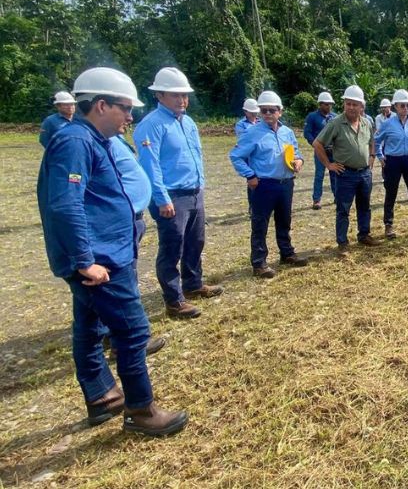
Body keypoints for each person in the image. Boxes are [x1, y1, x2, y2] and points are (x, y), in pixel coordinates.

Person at [37, 66, 187, 436]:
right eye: (124, 108)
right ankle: (141, 410)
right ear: (101, 105)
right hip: (100, 259)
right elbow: (65, 205)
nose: (130, 116)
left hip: (106, 253)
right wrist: (85, 261)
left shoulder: (92, 139)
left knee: (89, 325)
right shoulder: (75, 142)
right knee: (133, 332)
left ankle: (101, 394)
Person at [133, 67, 223, 320]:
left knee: (196, 241)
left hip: (194, 191)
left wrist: (200, 184)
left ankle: (193, 284)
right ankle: (173, 301)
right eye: (175, 95)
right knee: (173, 247)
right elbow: (150, 165)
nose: (182, 100)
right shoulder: (152, 125)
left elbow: (195, 156)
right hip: (171, 196)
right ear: (159, 95)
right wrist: (162, 199)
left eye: (184, 95)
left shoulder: (188, 122)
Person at [230, 90, 309, 277]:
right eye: (263, 111)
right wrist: (250, 175)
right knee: (260, 224)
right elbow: (236, 156)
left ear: (280, 111)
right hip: (264, 185)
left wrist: (299, 161)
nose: (267, 114)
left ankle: (287, 253)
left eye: (271, 110)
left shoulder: (287, 132)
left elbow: (296, 153)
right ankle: (259, 263)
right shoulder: (252, 133)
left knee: (284, 220)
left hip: (285, 183)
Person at [312, 85, 380, 252]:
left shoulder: (366, 123)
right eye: (348, 103)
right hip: (345, 173)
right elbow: (317, 144)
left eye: (354, 104)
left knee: (365, 206)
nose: (351, 107)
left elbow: (372, 141)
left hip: (364, 173)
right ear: (344, 104)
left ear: (361, 107)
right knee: (343, 209)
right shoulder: (336, 123)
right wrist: (329, 164)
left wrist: (372, 157)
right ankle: (342, 242)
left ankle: (364, 235)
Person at [375, 89, 408, 238]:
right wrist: (380, 155)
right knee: (391, 193)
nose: (405, 108)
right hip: (393, 160)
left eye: (407, 105)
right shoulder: (387, 124)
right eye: (402, 105)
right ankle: (388, 225)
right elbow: (376, 140)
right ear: (395, 106)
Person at [303, 91, 337, 210]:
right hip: (320, 150)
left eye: (330, 104)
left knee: (335, 173)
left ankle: (336, 196)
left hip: (333, 151)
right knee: (319, 175)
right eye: (326, 104)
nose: (328, 106)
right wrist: (315, 145)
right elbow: (307, 133)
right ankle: (316, 200)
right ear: (320, 104)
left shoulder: (334, 117)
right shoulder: (312, 117)